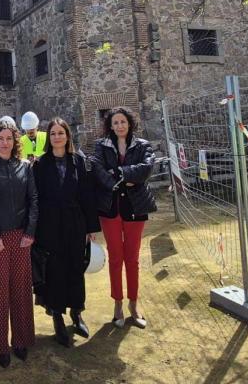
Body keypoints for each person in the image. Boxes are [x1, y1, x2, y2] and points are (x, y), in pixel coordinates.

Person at [32, 118, 100, 347]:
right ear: (48, 138)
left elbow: (87, 195)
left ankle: (76, 313)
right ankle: (58, 317)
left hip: (75, 224)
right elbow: (36, 200)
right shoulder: (40, 165)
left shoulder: (78, 162)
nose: (57, 137)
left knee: (75, 269)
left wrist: (91, 227)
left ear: (67, 136)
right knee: (55, 272)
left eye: (61, 133)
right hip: (50, 226)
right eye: (53, 133)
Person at [0, 119, 39, 367]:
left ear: (15, 142)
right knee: (0, 293)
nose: (5, 143)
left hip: (22, 237)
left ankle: (21, 340)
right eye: (0, 138)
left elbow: (34, 199)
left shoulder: (25, 167)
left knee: (22, 291)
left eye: (9, 139)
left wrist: (30, 232)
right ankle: (1, 345)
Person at [91, 106, 156, 328]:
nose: (119, 126)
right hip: (110, 209)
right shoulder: (101, 146)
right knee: (116, 258)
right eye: (115, 122)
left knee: (133, 259)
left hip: (135, 208)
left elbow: (146, 169)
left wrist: (118, 172)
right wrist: (125, 179)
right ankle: (117, 302)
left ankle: (133, 303)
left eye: (123, 122)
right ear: (110, 125)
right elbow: (97, 170)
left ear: (130, 124)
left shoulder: (143, 146)